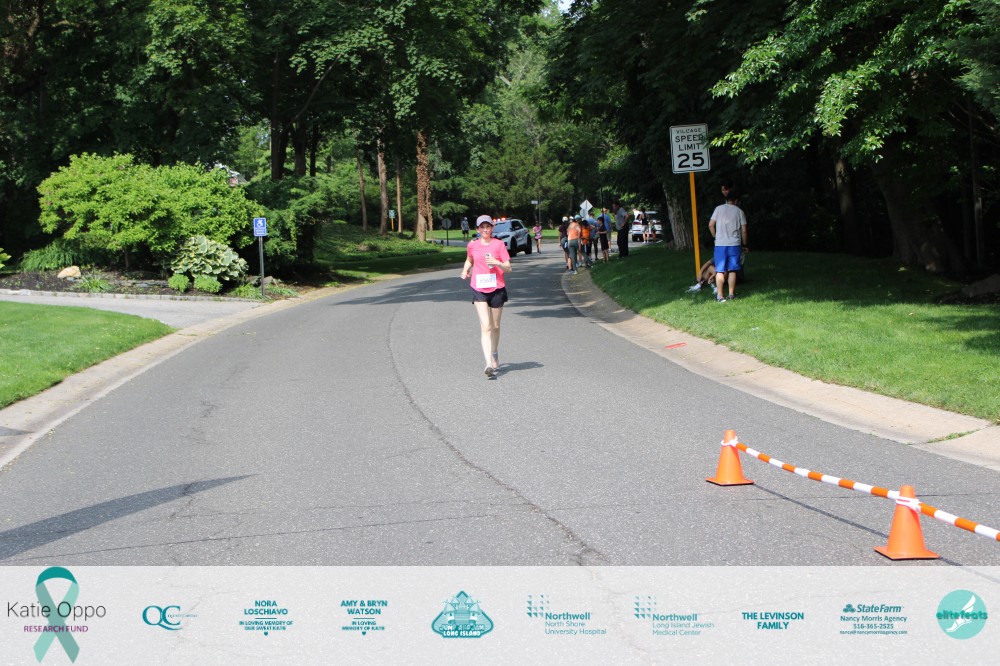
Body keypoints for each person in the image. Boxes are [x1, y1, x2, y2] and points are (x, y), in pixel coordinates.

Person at [460, 215, 512, 378]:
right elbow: (469, 260)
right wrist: (465, 270)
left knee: (495, 326)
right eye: (482, 227)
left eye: (488, 226)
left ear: (492, 228)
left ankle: (494, 352)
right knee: (486, 326)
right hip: (479, 288)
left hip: (497, 288)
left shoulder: (499, 245)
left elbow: (508, 268)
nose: (485, 229)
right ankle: (488, 363)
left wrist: (497, 262)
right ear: (477, 229)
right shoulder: (472, 245)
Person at [708, 188, 748, 302]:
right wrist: (745, 244)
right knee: (732, 270)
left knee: (720, 270)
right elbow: (744, 230)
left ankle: (720, 296)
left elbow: (711, 225)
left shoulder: (718, 208)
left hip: (720, 244)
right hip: (734, 244)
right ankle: (731, 294)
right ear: (736, 200)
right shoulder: (739, 211)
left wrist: (715, 237)